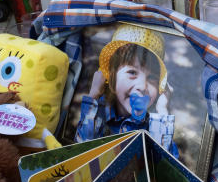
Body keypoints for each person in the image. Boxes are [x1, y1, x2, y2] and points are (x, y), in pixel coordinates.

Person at [76, 24, 177, 156]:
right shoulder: (98, 114)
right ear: (112, 79)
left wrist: (163, 111)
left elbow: (166, 167)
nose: (142, 86)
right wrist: (93, 95)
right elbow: (82, 151)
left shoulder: (155, 127)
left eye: (151, 77)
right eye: (132, 72)